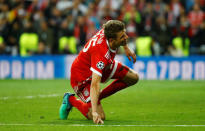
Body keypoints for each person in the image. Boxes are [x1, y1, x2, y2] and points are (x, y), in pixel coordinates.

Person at [59, 20, 139, 124]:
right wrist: (95, 113)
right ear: (111, 40)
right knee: (100, 116)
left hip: (104, 64)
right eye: (122, 37)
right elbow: (95, 84)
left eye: (125, 34)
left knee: (133, 78)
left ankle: (95, 98)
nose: (126, 37)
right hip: (82, 77)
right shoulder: (101, 53)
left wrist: (126, 48)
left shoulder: (108, 30)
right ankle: (70, 100)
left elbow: (110, 23)